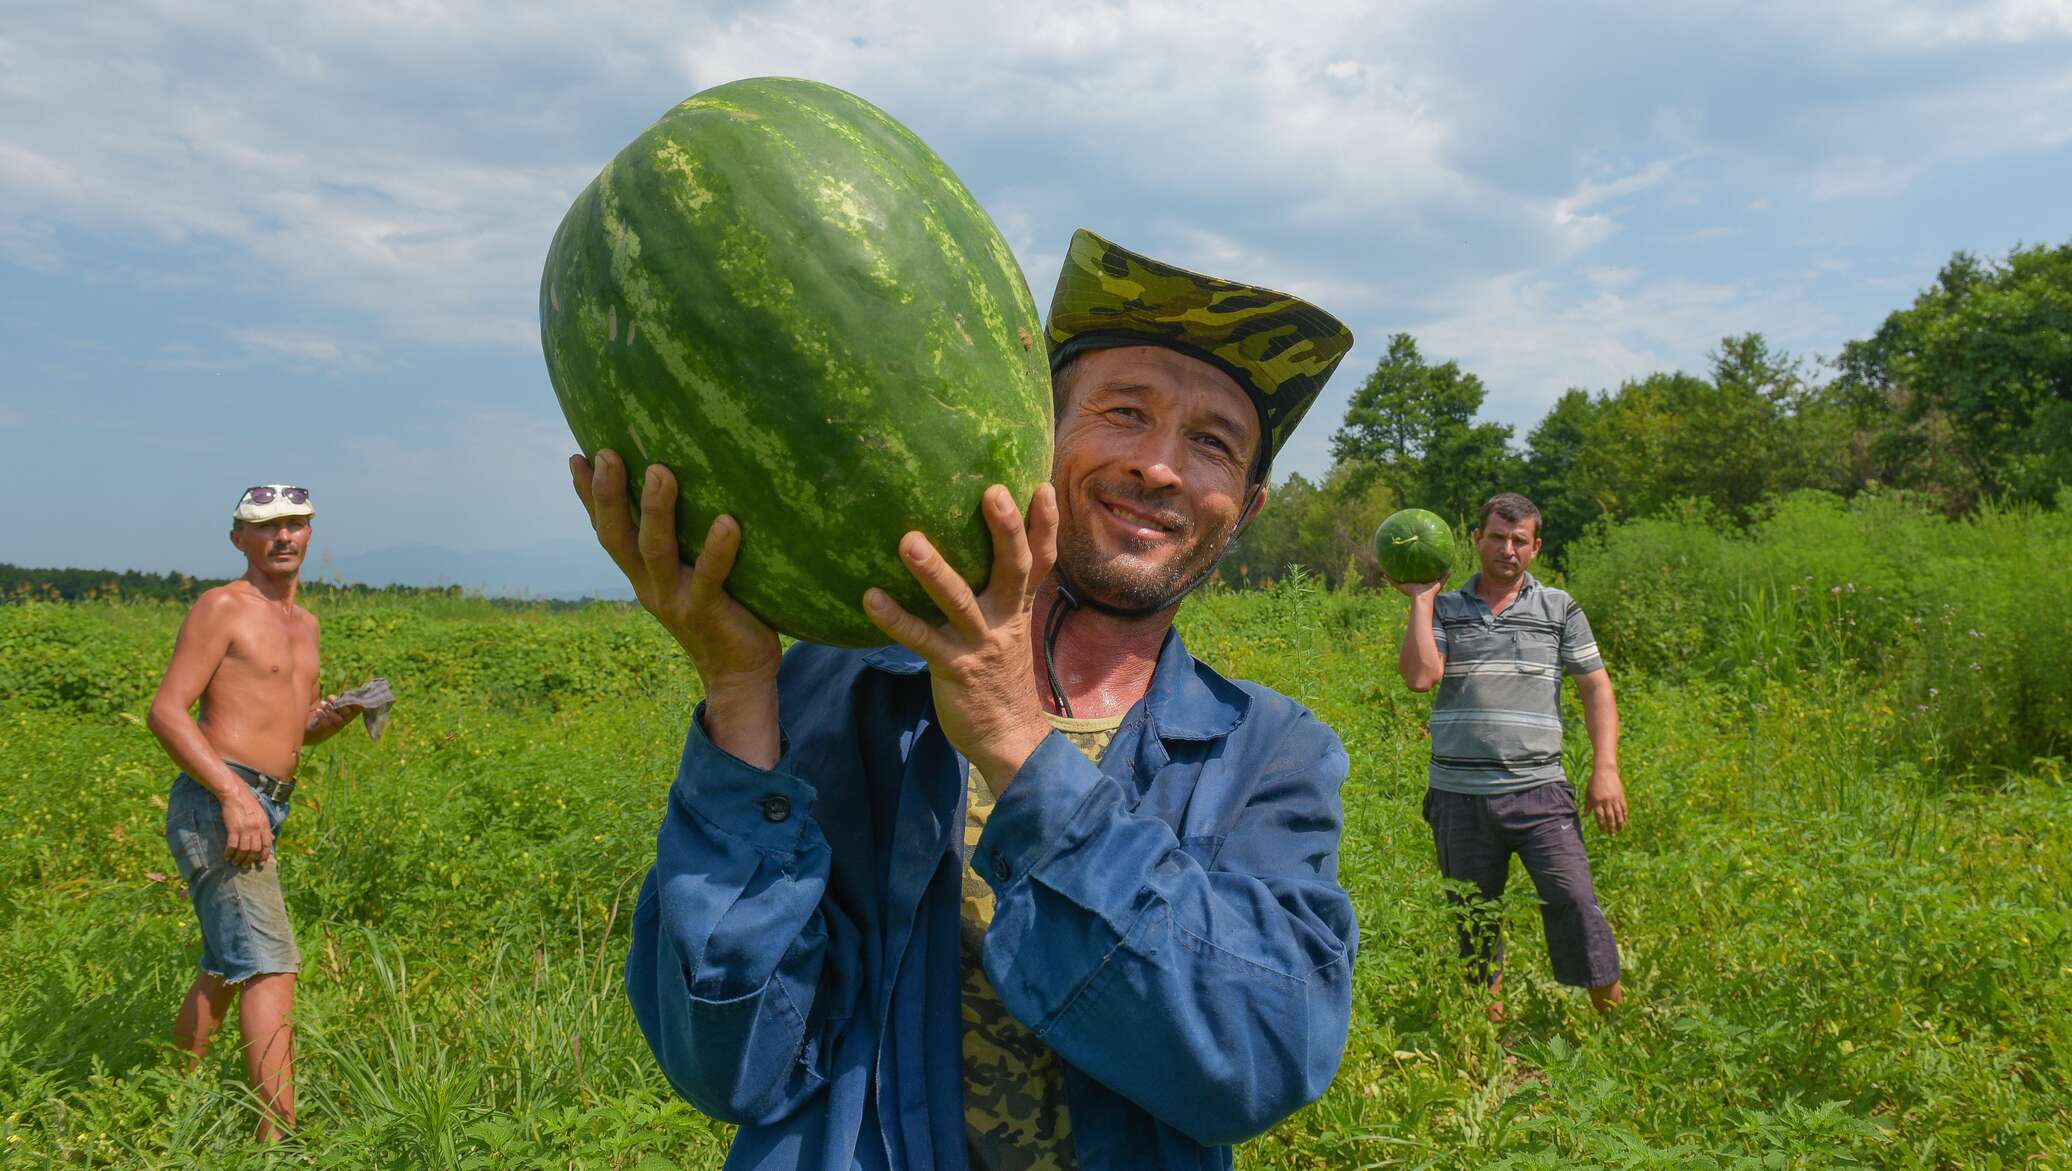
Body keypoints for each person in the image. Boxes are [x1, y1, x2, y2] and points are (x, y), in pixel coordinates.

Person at [573, 229, 1361, 1171]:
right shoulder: (840, 686)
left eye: (1212, 443)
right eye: (1123, 412)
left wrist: (1018, 745)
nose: (1160, 466)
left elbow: (1257, 1060)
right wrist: (742, 690)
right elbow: (728, 1064)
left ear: (1248, 506)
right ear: (1036, 431)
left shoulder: (1269, 753)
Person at [147, 484, 359, 1141]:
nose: (284, 536)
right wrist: (236, 798)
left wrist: (332, 718)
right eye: (267, 527)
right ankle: (280, 1140)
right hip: (221, 801)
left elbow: (290, 723)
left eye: (296, 524)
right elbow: (167, 711)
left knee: (227, 960)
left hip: (265, 801)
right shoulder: (222, 607)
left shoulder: (307, 623)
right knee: (271, 961)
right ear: (239, 538)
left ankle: (167, 1099)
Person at [1393, 492, 1628, 1020]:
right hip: (1460, 797)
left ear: (1535, 547)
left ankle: (1613, 1024)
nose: (1507, 549)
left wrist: (1606, 769)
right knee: (1475, 919)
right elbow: (1420, 676)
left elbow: (1596, 689)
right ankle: (1485, 1036)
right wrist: (1420, 599)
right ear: (1476, 540)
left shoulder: (1558, 608)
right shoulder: (1447, 609)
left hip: (1540, 790)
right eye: (1497, 537)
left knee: (1575, 902)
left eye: (1519, 540)